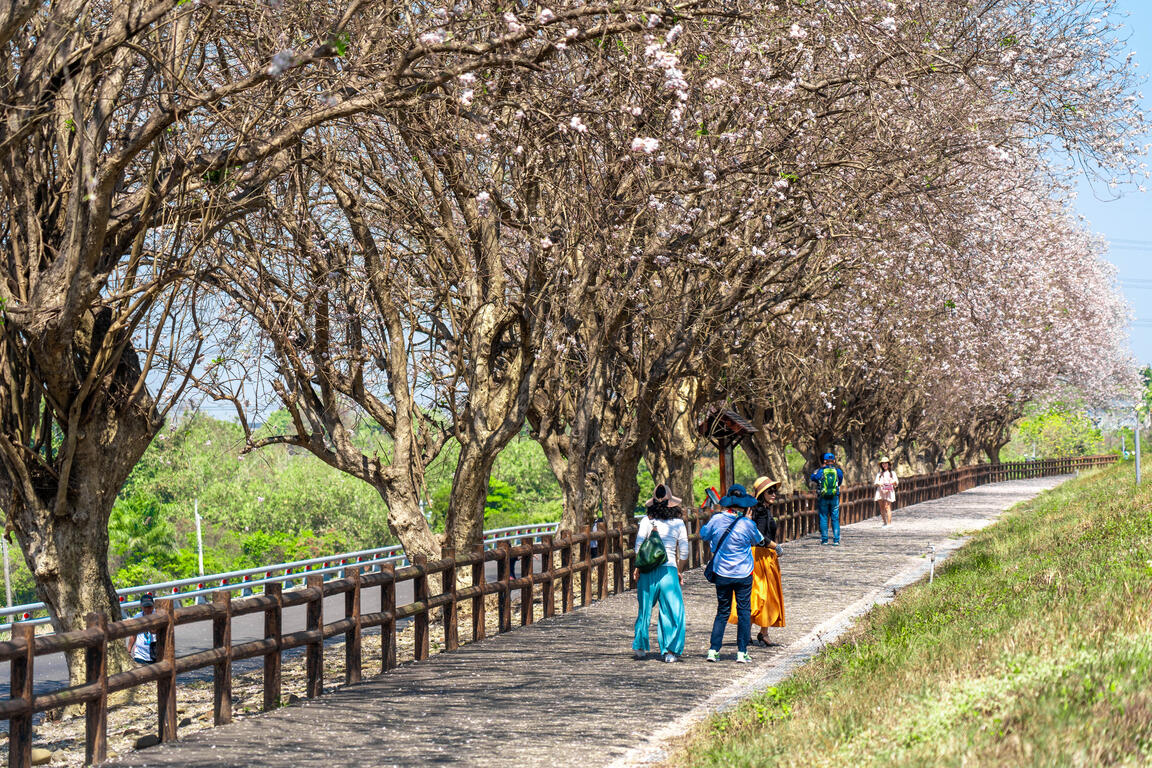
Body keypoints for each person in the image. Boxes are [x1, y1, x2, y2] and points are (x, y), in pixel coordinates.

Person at [701, 483, 763, 663]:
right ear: (744, 505)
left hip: (722, 572)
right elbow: (758, 540)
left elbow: (704, 534)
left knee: (722, 611)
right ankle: (742, 652)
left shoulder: (716, 519)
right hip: (743, 573)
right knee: (744, 611)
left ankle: (713, 650)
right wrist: (748, 521)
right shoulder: (747, 523)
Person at [631, 485, 690, 662]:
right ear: (672, 504)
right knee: (672, 611)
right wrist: (678, 570)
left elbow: (638, 547)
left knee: (644, 609)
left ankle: (640, 647)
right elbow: (685, 552)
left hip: (647, 570)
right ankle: (669, 651)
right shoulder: (678, 524)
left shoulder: (646, 521)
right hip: (669, 570)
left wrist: (639, 567)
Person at [730, 476, 785, 647]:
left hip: (767, 556)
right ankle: (747, 633)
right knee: (756, 594)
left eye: (775, 491)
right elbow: (758, 537)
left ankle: (764, 632)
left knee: (768, 595)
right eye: (770, 491)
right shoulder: (758, 511)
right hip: (758, 556)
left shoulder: (765, 510)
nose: (774, 494)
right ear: (762, 494)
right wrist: (776, 546)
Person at [808, 452, 844, 545]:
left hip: (823, 497)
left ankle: (825, 540)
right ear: (834, 461)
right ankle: (836, 540)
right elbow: (839, 482)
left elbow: (813, 478)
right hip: (834, 497)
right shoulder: (838, 471)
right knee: (835, 518)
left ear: (825, 461)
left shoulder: (821, 471)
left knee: (823, 517)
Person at [127, 593, 157, 664]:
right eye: (145, 607)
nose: (147, 609)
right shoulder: (137, 617)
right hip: (140, 655)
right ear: (141, 606)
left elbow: (154, 631)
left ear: (153, 605)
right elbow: (133, 635)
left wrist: (147, 622)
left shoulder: (157, 615)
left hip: (155, 652)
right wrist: (129, 650)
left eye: (149, 607)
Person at [874, 456, 899, 526]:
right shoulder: (879, 474)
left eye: (886, 463)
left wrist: (892, 482)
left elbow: (896, 482)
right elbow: (876, 482)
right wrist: (880, 483)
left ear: (888, 464)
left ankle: (889, 523)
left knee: (887, 507)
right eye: (883, 463)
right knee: (881, 507)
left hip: (889, 491)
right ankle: (884, 522)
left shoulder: (892, 473)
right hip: (880, 491)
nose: (884, 465)